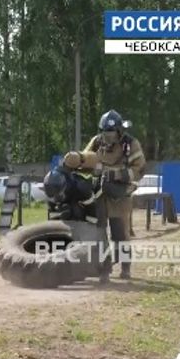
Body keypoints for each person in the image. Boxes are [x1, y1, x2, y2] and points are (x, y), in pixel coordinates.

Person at [65, 110, 146, 281]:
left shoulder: (131, 144)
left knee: (120, 234)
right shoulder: (96, 142)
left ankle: (125, 268)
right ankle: (104, 269)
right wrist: (78, 159)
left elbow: (139, 169)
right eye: (105, 132)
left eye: (111, 133)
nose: (108, 137)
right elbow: (87, 159)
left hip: (120, 196)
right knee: (99, 232)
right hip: (100, 194)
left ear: (119, 131)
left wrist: (117, 175)